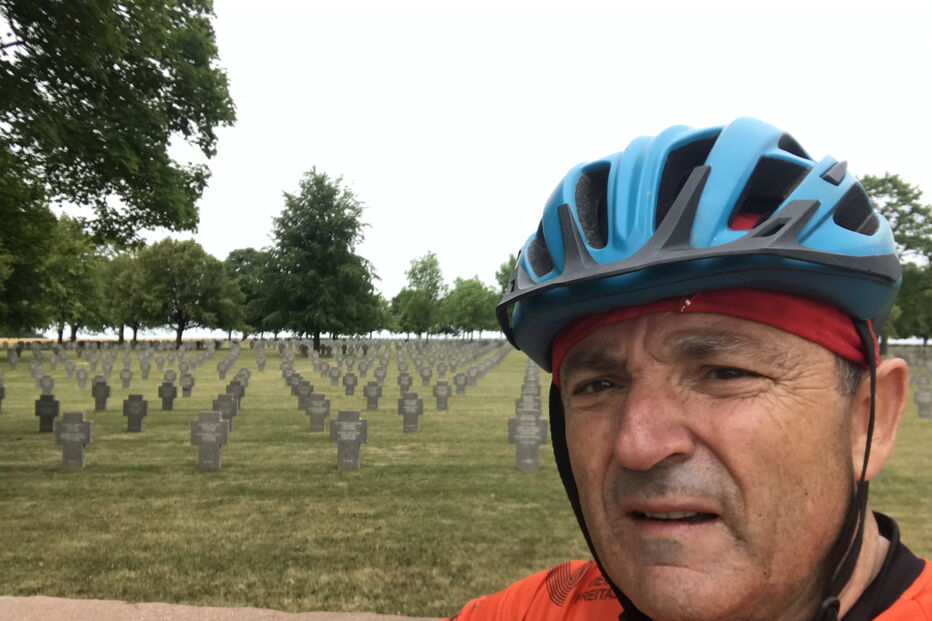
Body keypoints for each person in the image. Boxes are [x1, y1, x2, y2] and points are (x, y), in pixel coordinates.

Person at [447, 118, 931, 621]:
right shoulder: (533, 612)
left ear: (869, 422)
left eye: (724, 373)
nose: (638, 444)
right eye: (599, 384)